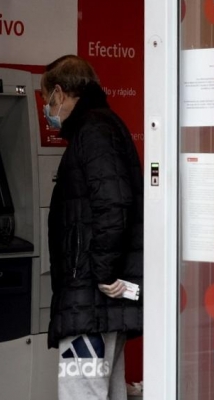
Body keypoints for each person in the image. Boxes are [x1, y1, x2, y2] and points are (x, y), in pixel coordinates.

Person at [42, 55, 143, 400]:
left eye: (47, 101)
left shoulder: (94, 131)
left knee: (82, 392)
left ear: (59, 92)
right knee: (106, 391)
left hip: (90, 298)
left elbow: (114, 204)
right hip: (96, 299)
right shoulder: (102, 126)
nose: (48, 110)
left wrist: (102, 273)